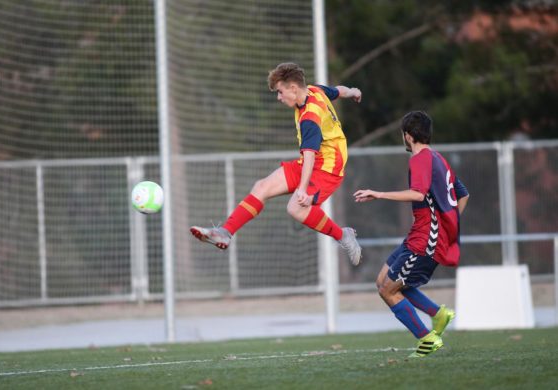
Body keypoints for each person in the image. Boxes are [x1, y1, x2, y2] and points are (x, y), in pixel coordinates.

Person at [190, 62, 362, 265]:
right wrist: (352, 91)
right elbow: (338, 91)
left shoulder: (310, 117)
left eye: (280, 92)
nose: (279, 97)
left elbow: (309, 155)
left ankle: (343, 235)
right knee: (261, 187)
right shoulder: (315, 90)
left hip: (328, 168)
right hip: (313, 161)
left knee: (296, 208)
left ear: (293, 88)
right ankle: (225, 232)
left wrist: (303, 189)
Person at [354, 111, 469, 358]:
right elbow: (463, 194)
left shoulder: (420, 159)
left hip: (426, 239)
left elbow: (418, 194)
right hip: (418, 234)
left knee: (388, 290)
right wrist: (450, 226)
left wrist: (379, 194)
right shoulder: (439, 159)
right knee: (383, 281)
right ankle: (438, 314)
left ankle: (427, 338)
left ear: (407, 136)